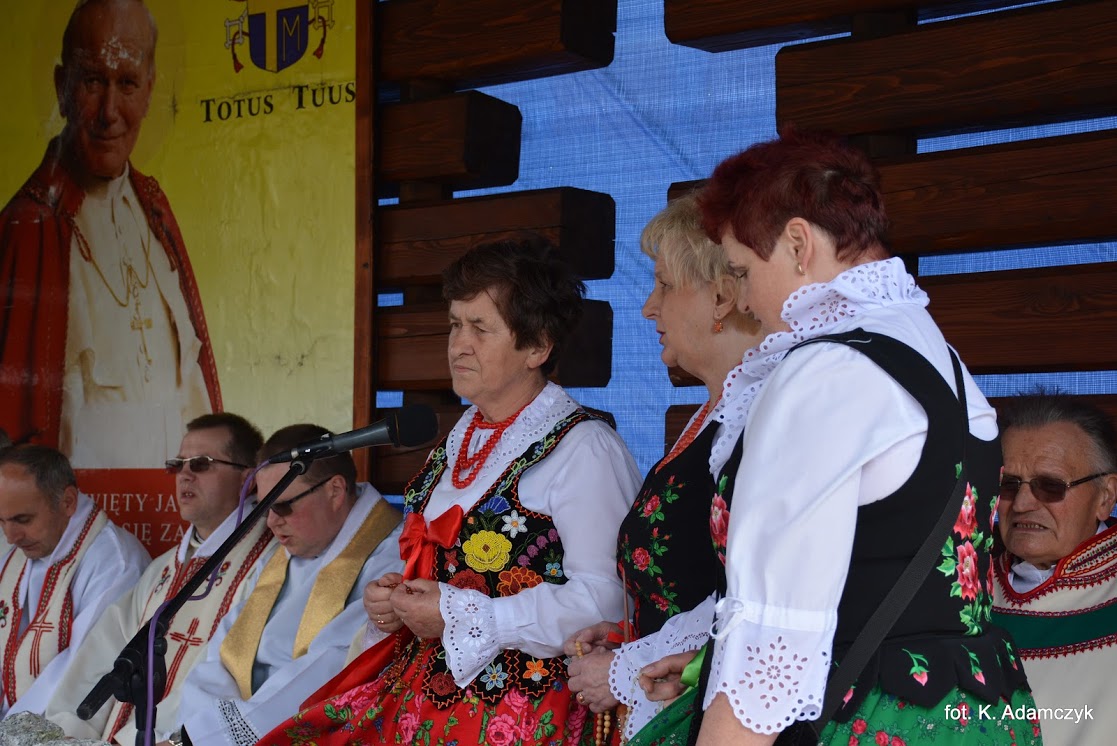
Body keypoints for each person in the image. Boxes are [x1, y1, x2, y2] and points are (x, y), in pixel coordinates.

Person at [632, 130, 1038, 745]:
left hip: (866, 715)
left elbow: (771, 641)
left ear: (798, 245)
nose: (744, 297)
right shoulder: (937, 355)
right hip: (970, 708)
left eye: (743, 270)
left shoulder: (825, 370)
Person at [256, 237, 642, 745]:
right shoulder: (461, 440)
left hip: (521, 715)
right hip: (422, 699)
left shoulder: (584, 448)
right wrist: (394, 603)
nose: (459, 344)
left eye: (481, 328)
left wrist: (467, 614)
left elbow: (609, 599)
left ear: (538, 347)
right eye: (456, 324)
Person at [564, 194, 761, 739]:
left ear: (721, 297)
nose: (649, 307)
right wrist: (631, 633)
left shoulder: (759, 416)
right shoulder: (714, 412)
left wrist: (628, 667)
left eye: (665, 286)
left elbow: (755, 595)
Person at [0, 0, 220, 469]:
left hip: (172, 502)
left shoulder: (155, 212)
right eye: (93, 82)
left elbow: (193, 389)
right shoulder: (29, 227)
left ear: (150, 89)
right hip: (76, 505)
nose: (109, 112)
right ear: (62, 88)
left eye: (128, 83)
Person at [43, 413, 274, 745]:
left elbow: (232, 675)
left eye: (202, 464)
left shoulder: (267, 562)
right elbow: (103, 653)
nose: (185, 476)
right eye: (178, 465)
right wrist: (70, 732)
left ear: (247, 479)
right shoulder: (163, 569)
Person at [174, 423, 405, 745]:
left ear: (335, 491)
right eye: (264, 508)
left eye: (283, 506)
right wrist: (198, 732)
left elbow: (336, 666)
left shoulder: (394, 559)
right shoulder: (285, 554)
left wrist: (219, 736)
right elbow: (223, 654)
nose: (271, 522)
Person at [991, 393, 1117, 746]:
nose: (1021, 504)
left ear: (1106, 496)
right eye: (1008, 484)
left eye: (1050, 486)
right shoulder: (959, 588)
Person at [0, 445, 150, 716]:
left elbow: (83, 669)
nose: (11, 537)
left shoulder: (115, 564)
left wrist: (10, 727)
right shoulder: (20, 552)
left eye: (23, 519)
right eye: (2, 521)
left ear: (68, 502)